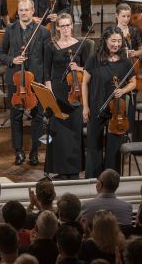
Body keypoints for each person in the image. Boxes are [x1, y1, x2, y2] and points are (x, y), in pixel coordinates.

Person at [0, 0, 50, 166]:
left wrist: (46, 81)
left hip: (36, 81)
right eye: (21, 10)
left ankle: (34, 151)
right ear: (17, 12)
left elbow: (47, 60)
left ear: (33, 11)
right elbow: (0, 54)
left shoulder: (43, 31)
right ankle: (18, 151)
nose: (23, 13)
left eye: (27, 10)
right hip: (16, 80)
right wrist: (12, 60)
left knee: (38, 117)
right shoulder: (10, 30)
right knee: (16, 116)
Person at [82, 26, 137, 177]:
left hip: (117, 111)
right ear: (105, 40)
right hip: (96, 106)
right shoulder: (94, 59)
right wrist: (85, 107)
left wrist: (123, 90)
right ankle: (93, 178)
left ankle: (111, 178)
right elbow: (84, 83)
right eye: (113, 40)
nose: (116, 44)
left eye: (119, 41)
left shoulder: (126, 62)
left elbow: (133, 82)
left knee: (114, 147)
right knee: (94, 145)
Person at [44, 13, 87, 179]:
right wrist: (50, 94)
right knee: (58, 132)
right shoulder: (51, 46)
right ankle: (60, 170)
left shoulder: (80, 45)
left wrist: (79, 68)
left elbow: (89, 70)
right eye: (62, 26)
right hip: (58, 91)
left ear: (72, 26)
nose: (65, 29)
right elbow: (47, 73)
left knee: (74, 132)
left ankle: (74, 169)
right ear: (57, 28)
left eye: (68, 25)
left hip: (75, 92)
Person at [115, 2, 142, 134]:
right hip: (119, 70)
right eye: (123, 16)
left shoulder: (133, 31)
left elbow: (141, 50)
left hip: (132, 69)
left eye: (128, 16)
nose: (126, 19)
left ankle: (130, 133)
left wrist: (134, 53)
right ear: (117, 16)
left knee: (132, 105)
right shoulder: (113, 32)